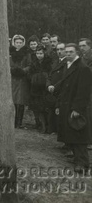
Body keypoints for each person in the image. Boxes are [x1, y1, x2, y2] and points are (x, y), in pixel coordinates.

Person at [54, 44, 92, 173]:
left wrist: (77, 108)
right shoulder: (68, 65)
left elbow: (84, 91)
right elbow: (64, 87)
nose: (68, 54)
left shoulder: (83, 68)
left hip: (76, 106)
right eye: (67, 52)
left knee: (79, 134)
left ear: (77, 53)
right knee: (72, 133)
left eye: (71, 52)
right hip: (66, 104)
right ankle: (78, 160)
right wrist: (59, 104)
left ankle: (83, 163)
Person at [28, 46, 52, 133]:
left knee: (45, 107)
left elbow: (50, 73)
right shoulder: (34, 63)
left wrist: (43, 77)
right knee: (37, 107)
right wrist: (35, 78)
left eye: (41, 53)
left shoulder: (48, 63)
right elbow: (30, 74)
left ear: (44, 53)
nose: (39, 55)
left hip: (44, 88)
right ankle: (41, 125)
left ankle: (48, 126)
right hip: (35, 88)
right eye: (37, 53)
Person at [10, 35, 30, 128]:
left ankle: (19, 122)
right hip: (13, 79)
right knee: (13, 101)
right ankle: (12, 121)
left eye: (20, 43)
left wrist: (23, 71)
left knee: (20, 101)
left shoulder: (26, 53)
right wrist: (12, 70)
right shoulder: (10, 52)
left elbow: (30, 65)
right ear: (14, 43)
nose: (18, 44)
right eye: (17, 42)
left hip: (22, 79)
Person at [47, 42, 66, 135]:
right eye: (58, 49)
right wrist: (49, 85)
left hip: (61, 90)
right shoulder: (55, 62)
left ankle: (60, 131)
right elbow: (49, 75)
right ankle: (53, 129)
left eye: (61, 49)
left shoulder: (67, 63)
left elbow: (65, 78)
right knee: (52, 110)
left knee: (60, 111)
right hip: (52, 90)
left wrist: (55, 86)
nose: (59, 51)